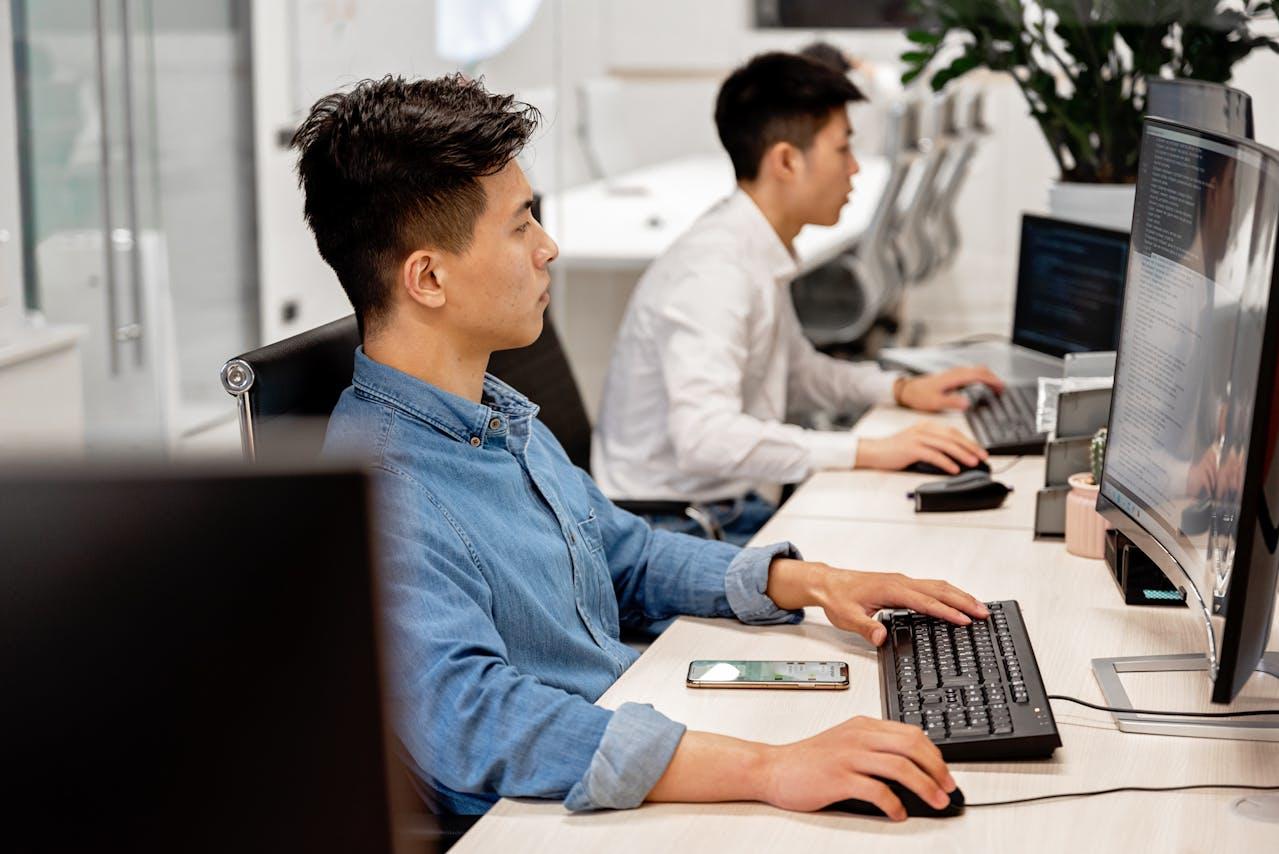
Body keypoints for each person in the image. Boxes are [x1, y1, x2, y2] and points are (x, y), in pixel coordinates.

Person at [299, 73, 988, 820]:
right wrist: (768, 767)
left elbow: (625, 555)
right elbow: (478, 722)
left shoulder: (492, 414)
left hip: (636, 724)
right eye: (521, 225)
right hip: (548, 815)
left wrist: (816, 583)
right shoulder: (384, 492)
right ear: (428, 278)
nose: (548, 247)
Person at [592, 52, 1002, 544]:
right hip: (672, 526)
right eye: (843, 149)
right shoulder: (715, 273)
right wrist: (867, 450)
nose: (854, 168)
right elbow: (705, 438)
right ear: (786, 160)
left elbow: (795, 373)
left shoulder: (753, 245)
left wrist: (898, 390)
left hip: (722, 504)